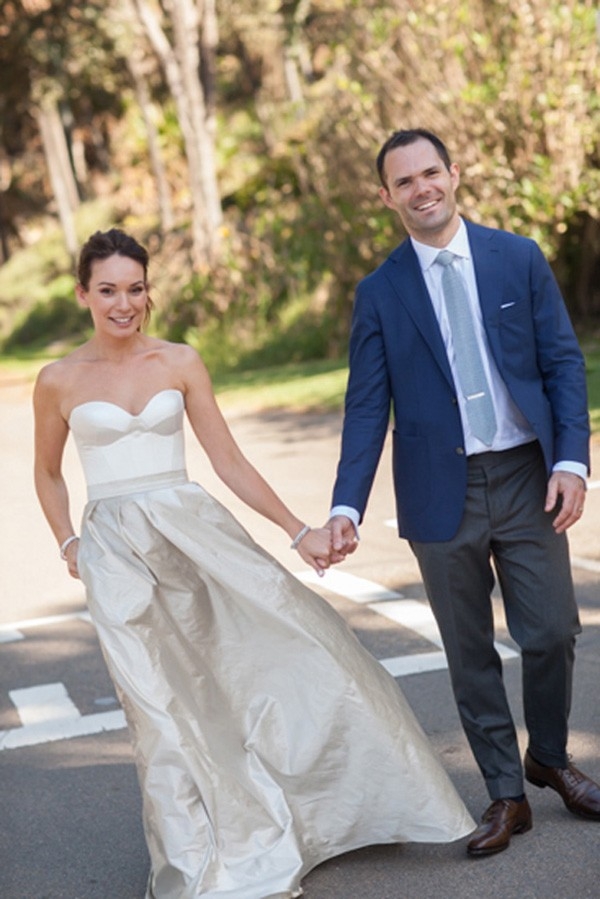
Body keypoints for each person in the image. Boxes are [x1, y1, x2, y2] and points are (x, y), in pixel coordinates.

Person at [33, 228, 474, 899]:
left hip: (191, 534)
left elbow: (228, 460)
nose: (124, 303)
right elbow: (47, 474)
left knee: (262, 661)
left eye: (136, 288)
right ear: (83, 294)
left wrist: (297, 529)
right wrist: (70, 543)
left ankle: (330, 802)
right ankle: (195, 860)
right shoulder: (57, 379)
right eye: (109, 290)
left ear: (149, 290)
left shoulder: (179, 361)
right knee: (155, 705)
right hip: (114, 552)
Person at [328, 128, 600, 857]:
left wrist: (572, 461)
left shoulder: (517, 258)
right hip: (437, 489)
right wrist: (345, 506)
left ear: (454, 174)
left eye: (430, 173)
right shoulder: (380, 293)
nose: (422, 189)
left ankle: (549, 754)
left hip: (525, 474)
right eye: (404, 182)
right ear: (386, 197)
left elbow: (563, 365)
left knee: (550, 631)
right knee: (469, 648)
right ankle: (506, 793)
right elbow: (365, 407)